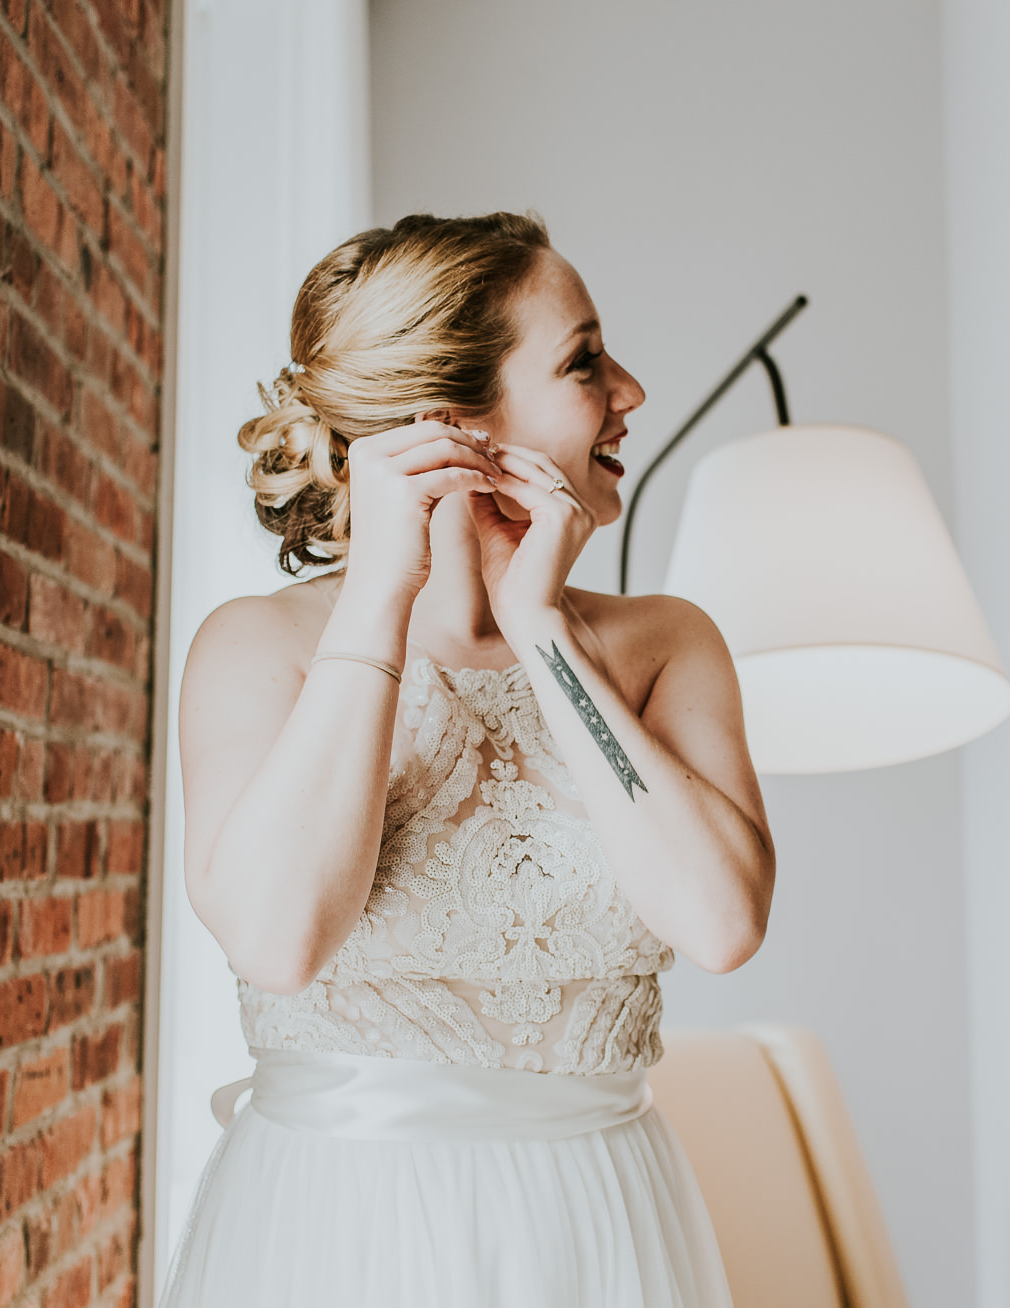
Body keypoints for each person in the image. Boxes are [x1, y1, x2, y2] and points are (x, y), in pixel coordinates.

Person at [164, 212, 775, 1307]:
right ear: (450, 425)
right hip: (338, 1229)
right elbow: (277, 940)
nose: (629, 392)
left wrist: (544, 632)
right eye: (585, 361)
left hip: (603, 1229)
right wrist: (381, 599)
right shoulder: (257, 648)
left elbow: (721, 922)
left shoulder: (664, 644)